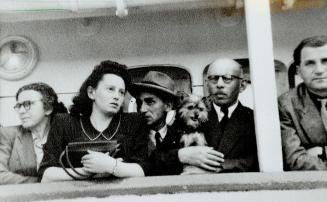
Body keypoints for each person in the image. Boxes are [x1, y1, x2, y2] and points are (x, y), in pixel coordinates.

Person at [39, 60, 149, 182]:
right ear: (91, 92)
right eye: (110, 89)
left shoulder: (134, 123)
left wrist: (110, 165)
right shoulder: (64, 122)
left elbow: (142, 171)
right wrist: (88, 171)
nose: (117, 96)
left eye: (121, 92)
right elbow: (46, 175)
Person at [0, 83, 67, 184]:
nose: (21, 111)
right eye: (19, 105)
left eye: (28, 104)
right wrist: (41, 182)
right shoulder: (8, 134)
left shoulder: (66, 134)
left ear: (48, 108)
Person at [200, 58, 259, 172]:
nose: (219, 85)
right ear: (207, 84)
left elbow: (259, 159)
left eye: (227, 79)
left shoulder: (253, 119)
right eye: (214, 79)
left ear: (242, 85)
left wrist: (222, 166)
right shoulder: (193, 116)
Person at [279, 35, 327, 170]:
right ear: (299, 71)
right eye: (310, 63)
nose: (319, 70)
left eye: (325, 61)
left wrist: (323, 152)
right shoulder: (285, 105)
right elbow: (295, 160)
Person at [131, 71, 182, 176]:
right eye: (139, 103)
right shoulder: (131, 139)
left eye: (150, 102)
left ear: (167, 106)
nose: (142, 109)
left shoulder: (181, 137)